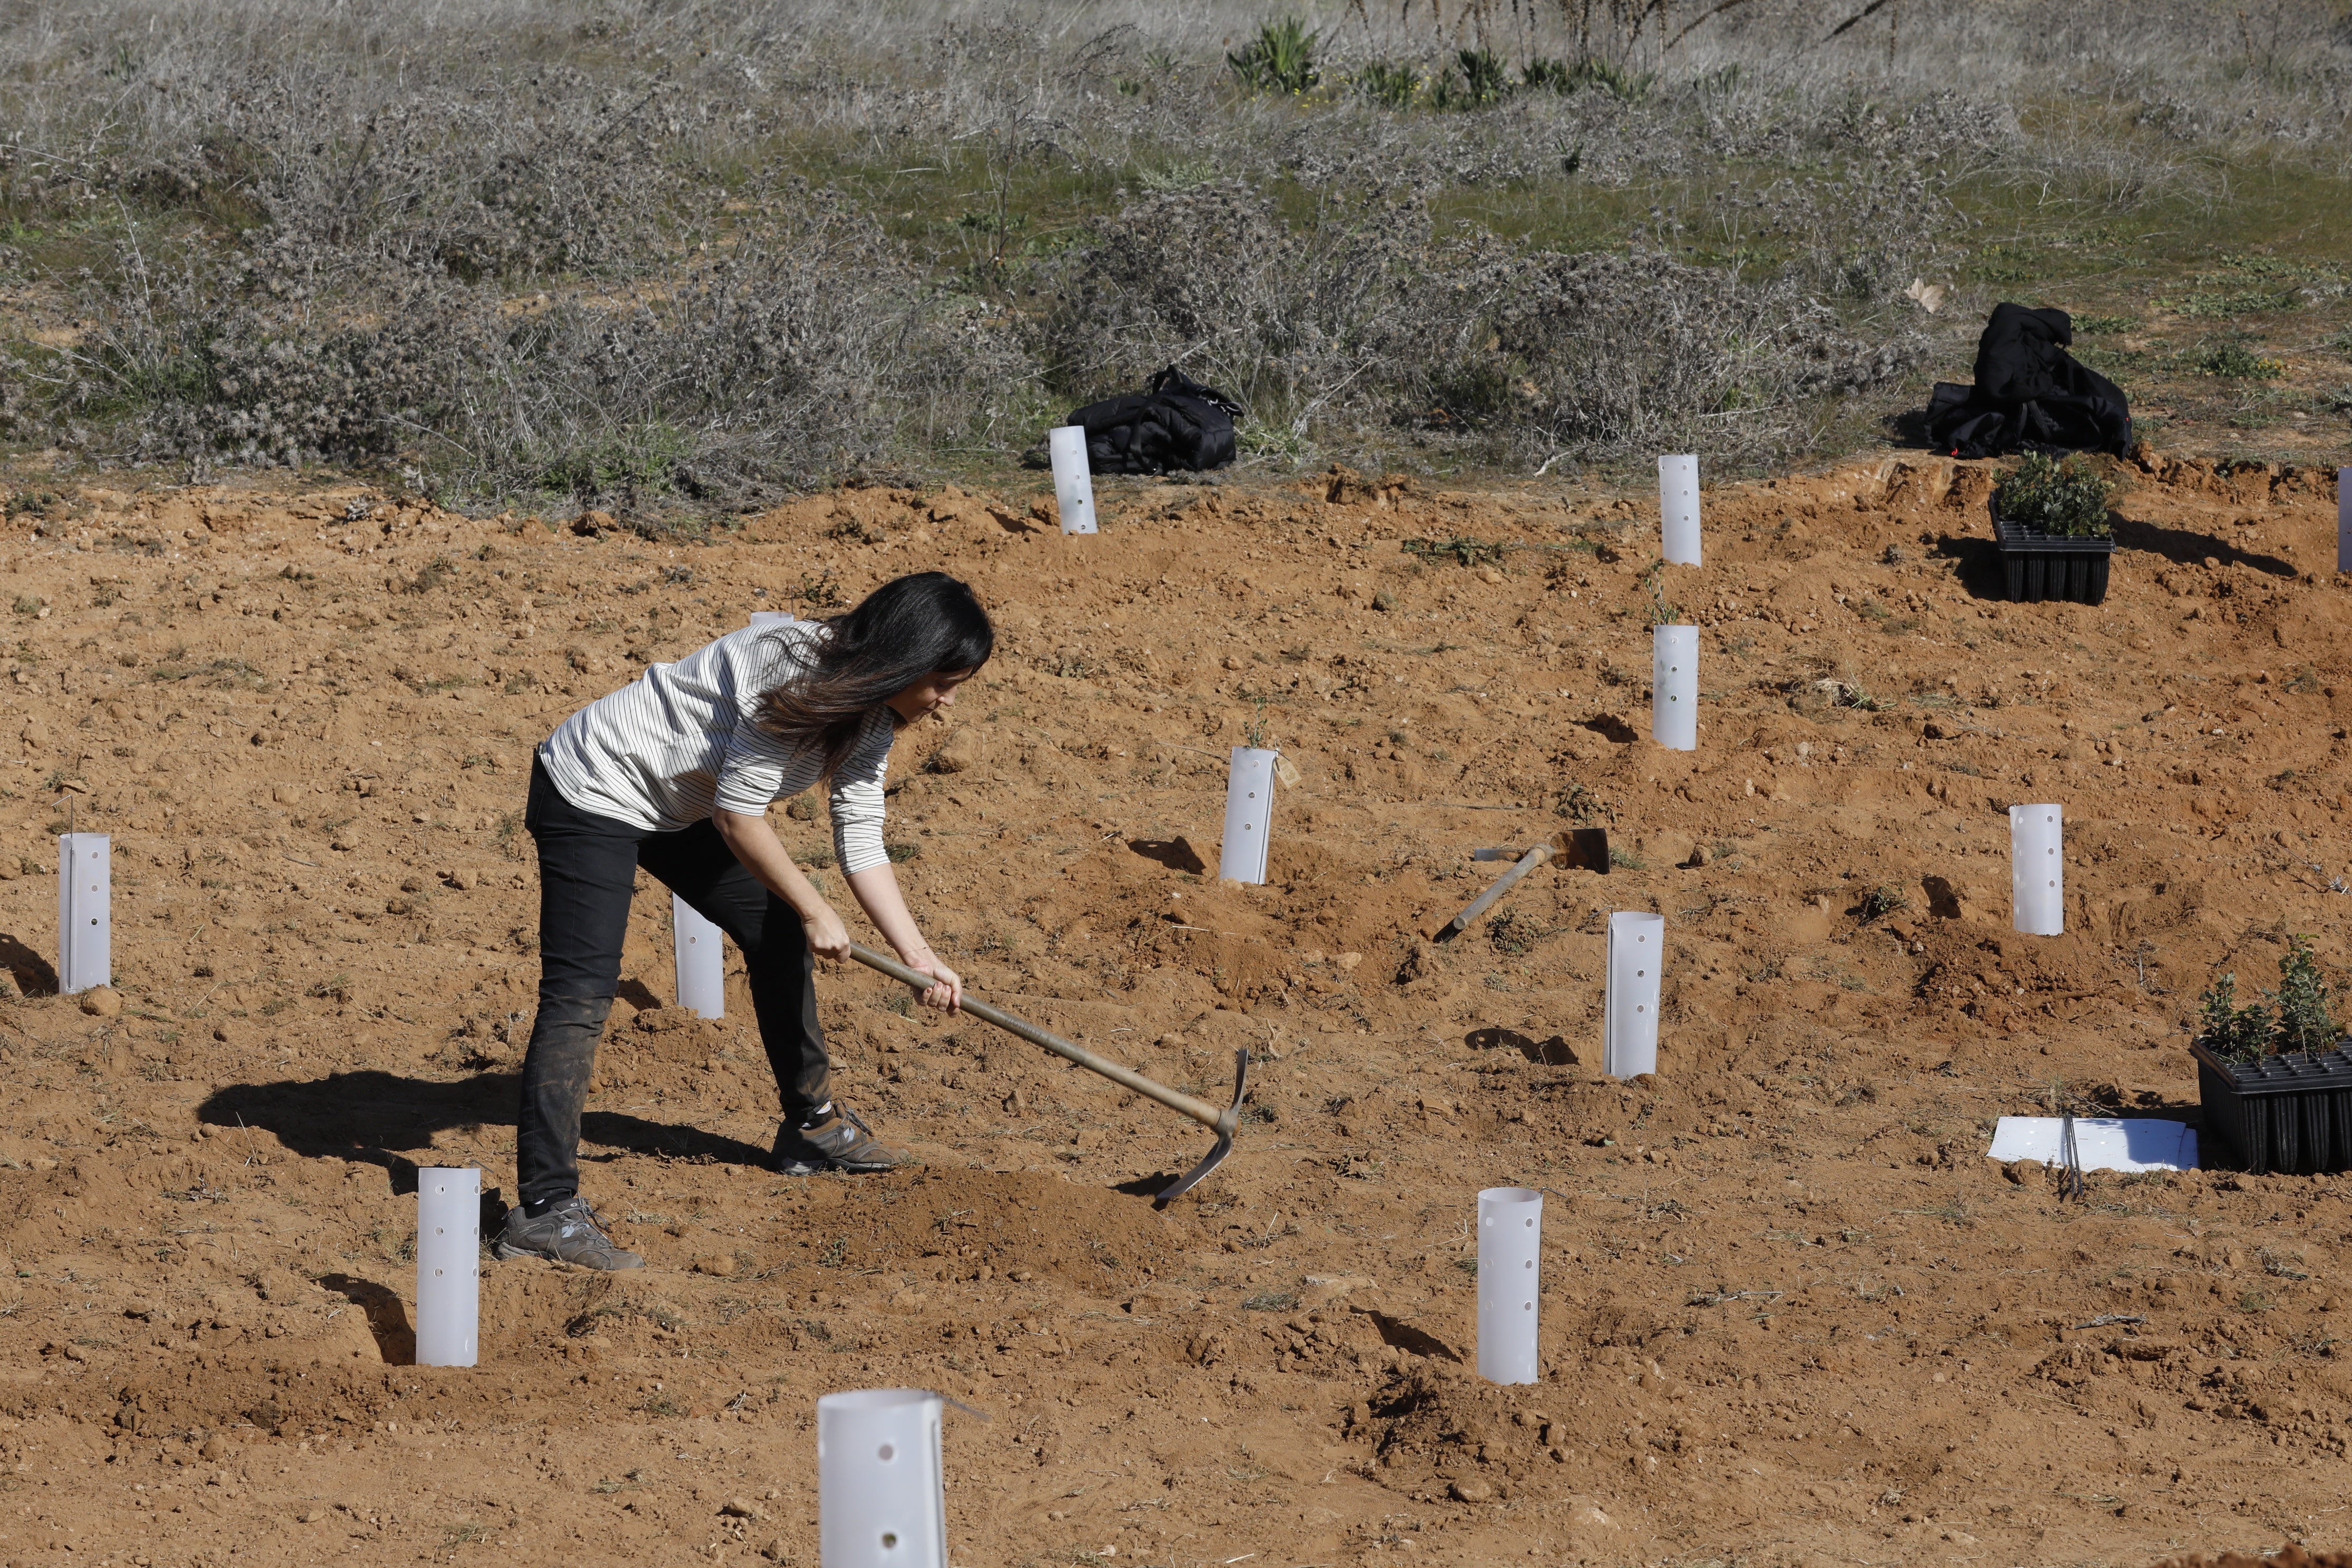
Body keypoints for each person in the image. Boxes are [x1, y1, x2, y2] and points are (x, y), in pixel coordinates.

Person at [493, 572, 991, 1270]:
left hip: (677, 806)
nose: (944, 702)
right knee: (582, 993)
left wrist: (918, 955)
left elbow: (860, 830)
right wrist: (817, 909)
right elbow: (737, 816)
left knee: (777, 926)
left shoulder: (876, 710)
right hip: (597, 787)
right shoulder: (789, 668)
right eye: (943, 681)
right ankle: (544, 1213)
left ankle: (812, 1128)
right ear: (904, 659)